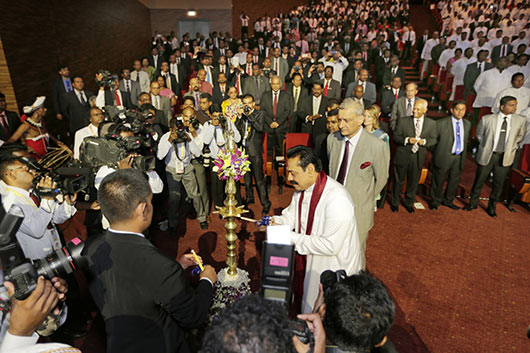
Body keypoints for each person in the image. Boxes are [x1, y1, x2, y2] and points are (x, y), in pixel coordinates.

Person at [83, 169, 216, 353]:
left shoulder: (89, 248)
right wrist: (206, 281)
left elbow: (131, 281)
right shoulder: (161, 267)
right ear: (143, 209)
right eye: (151, 201)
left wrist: (177, 266)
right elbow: (193, 317)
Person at [272, 145, 362, 313]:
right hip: (308, 262)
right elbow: (291, 217)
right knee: (307, 305)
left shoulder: (337, 198)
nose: (289, 178)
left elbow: (330, 245)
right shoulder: (300, 190)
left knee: (326, 317)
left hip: (331, 267)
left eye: (293, 173)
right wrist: (276, 222)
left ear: (311, 170)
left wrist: (287, 236)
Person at [327, 100, 389, 269]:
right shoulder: (332, 140)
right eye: (339, 120)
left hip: (359, 211)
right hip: (332, 209)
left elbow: (381, 179)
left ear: (361, 119)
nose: (340, 125)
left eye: (346, 120)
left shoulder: (377, 146)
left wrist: (365, 200)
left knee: (355, 256)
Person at [0, 157, 76, 260]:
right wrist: (47, 199)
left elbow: (55, 218)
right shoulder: (9, 202)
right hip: (38, 262)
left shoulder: (34, 193)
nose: (31, 171)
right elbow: (36, 230)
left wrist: (68, 203)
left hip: (57, 252)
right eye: (26, 169)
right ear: (10, 174)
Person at [465, 96, 526, 217]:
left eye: (515, 105)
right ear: (502, 107)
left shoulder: (520, 120)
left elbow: (520, 136)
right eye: (512, 105)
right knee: (479, 180)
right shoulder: (487, 119)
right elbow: (479, 135)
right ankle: (472, 203)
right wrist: (487, 146)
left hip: (505, 156)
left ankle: (492, 207)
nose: (515, 108)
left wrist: (511, 147)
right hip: (488, 154)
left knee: (499, 184)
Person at [314, 271, 397, 353]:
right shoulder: (384, 347)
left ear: (323, 310)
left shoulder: (303, 348)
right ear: (381, 342)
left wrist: (314, 318)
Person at [157, 109, 208, 230]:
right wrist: (170, 140)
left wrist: (190, 140)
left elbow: (197, 153)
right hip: (172, 169)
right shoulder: (165, 137)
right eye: (176, 130)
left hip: (187, 168)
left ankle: (202, 218)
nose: (178, 133)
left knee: (195, 195)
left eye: (180, 130)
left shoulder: (187, 136)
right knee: (174, 198)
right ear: (171, 130)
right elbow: (160, 156)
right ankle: (173, 223)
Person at [391, 99, 436, 213]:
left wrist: (425, 142)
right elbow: (396, 137)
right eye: (414, 108)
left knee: (413, 181)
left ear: (425, 110)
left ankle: (408, 202)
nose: (414, 111)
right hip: (403, 155)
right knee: (398, 181)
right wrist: (407, 140)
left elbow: (434, 139)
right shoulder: (403, 121)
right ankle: (395, 202)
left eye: (418, 109)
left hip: (418, 157)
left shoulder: (431, 123)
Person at [429, 101, 471, 211]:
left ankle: (448, 200)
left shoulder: (467, 124)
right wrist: (438, 152)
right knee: (438, 180)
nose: (460, 112)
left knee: (454, 181)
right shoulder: (441, 123)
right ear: (452, 110)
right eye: (458, 109)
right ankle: (435, 201)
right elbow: (432, 141)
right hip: (444, 156)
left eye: (463, 109)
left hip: (458, 157)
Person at [236, 94, 271, 215]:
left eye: (249, 103)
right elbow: (236, 130)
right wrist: (240, 117)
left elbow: (260, 128)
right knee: (246, 179)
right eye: (244, 103)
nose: (247, 106)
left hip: (255, 151)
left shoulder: (260, 114)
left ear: (253, 104)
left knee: (259, 179)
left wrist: (249, 115)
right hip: (243, 150)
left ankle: (266, 203)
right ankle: (250, 197)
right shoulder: (241, 116)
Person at [202, 106, 241, 208]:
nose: (217, 119)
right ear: (210, 116)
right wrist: (212, 126)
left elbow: (238, 139)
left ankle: (236, 206)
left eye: (219, 116)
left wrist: (227, 127)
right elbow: (205, 141)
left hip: (229, 159)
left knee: (233, 185)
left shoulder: (228, 122)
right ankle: (219, 207)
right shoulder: (207, 125)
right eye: (215, 117)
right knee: (217, 187)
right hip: (216, 160)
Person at [299, 82, 329, 155]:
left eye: (318, 89)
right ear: (312, 89)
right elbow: (300, 112)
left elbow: (329, 114)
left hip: (321, 131)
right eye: (315, 89)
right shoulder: (305, 99)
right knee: (305, 152)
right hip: (307, 129)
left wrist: (321, 116)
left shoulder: (327, 101)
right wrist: (308, 117)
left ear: (322, 90)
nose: (316, 91)